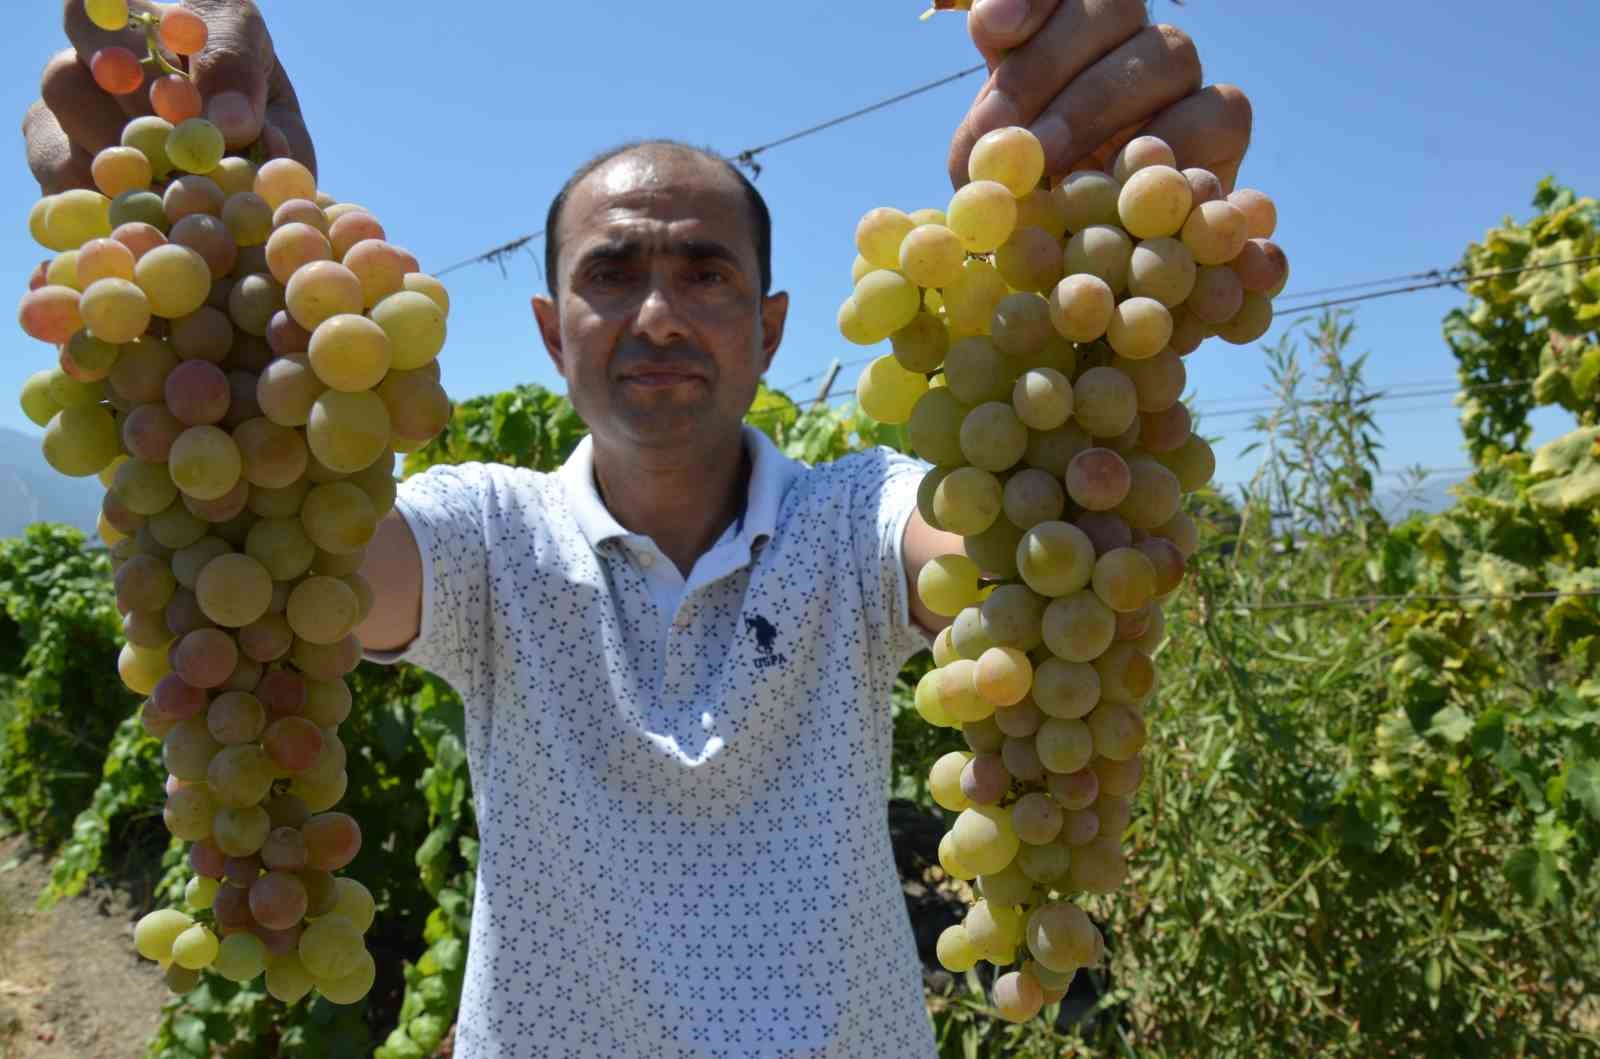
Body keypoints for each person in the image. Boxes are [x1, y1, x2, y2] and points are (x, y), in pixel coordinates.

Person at [24, 2, 1252, 1055]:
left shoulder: (861, 520)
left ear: (770, 329)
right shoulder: (485, 537)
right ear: (554, 332)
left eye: (705, 272)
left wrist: (1075, 268)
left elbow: (1006, 552)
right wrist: (212, 319)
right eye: (612, 274)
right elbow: (301, 558)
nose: (658, 312)